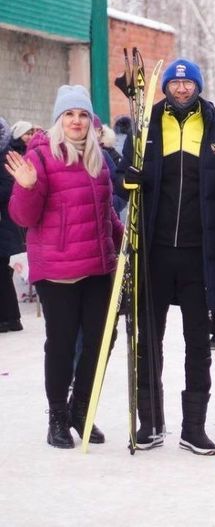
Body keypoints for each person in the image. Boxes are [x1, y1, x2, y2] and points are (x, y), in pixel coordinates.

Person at [118, 58, 215, 455]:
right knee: (147, 341)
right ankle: (150, 422)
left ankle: (194, 427)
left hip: (199, 255)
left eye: (188, 84)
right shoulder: (145, 129)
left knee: (197, 344)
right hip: (154, 253)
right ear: (165, 87)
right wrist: (127, 178)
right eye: (175, 83)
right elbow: (121, 177)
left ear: (198, 87)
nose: (182, 89)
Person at [6, 85, 123, 448]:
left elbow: (105, 214)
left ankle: (81, 410)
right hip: (57, 271)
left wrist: (127, 244)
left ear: (91, 120)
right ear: (59, 119)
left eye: (82, 114)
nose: (76, 121)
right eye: (69, 115)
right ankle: (57, 416)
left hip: (97, 266)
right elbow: (22, 217)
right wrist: (26, 187)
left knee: (100, 342)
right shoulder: (40, 158)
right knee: (60, 344)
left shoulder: (97, 159)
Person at [0, 116, 24, 333]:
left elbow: (8, 189)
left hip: (5, 225)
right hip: (7, 225)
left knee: (2, 274)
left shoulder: (5, 156)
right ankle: (8, 319)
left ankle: (11, 319)